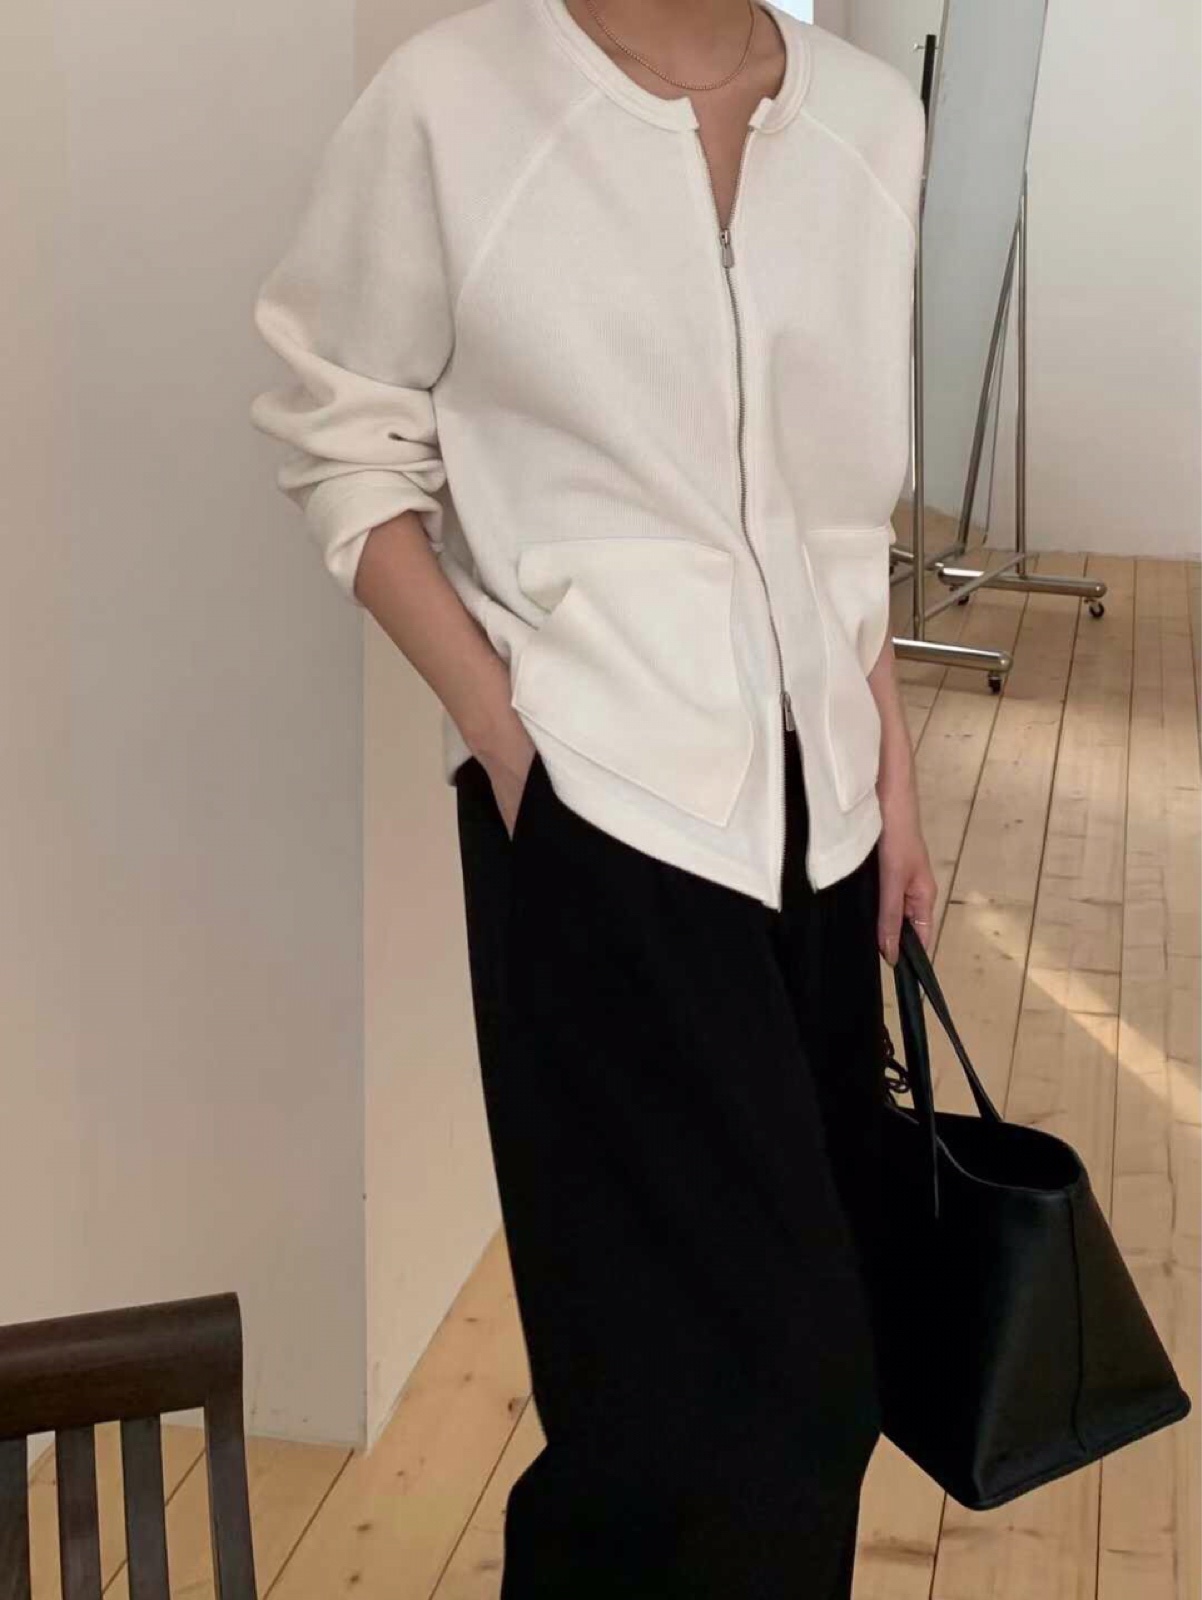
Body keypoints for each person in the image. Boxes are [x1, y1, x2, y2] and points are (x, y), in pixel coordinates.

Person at [250, 0, 937, 1593]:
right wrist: (510, 740)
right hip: (601, 820)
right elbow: (339, 433)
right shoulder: (453, 103)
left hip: (822, 826)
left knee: (751, 1401)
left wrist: (890, 777)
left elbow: (837, 520)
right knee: (748, 1395)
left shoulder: (866, 124)